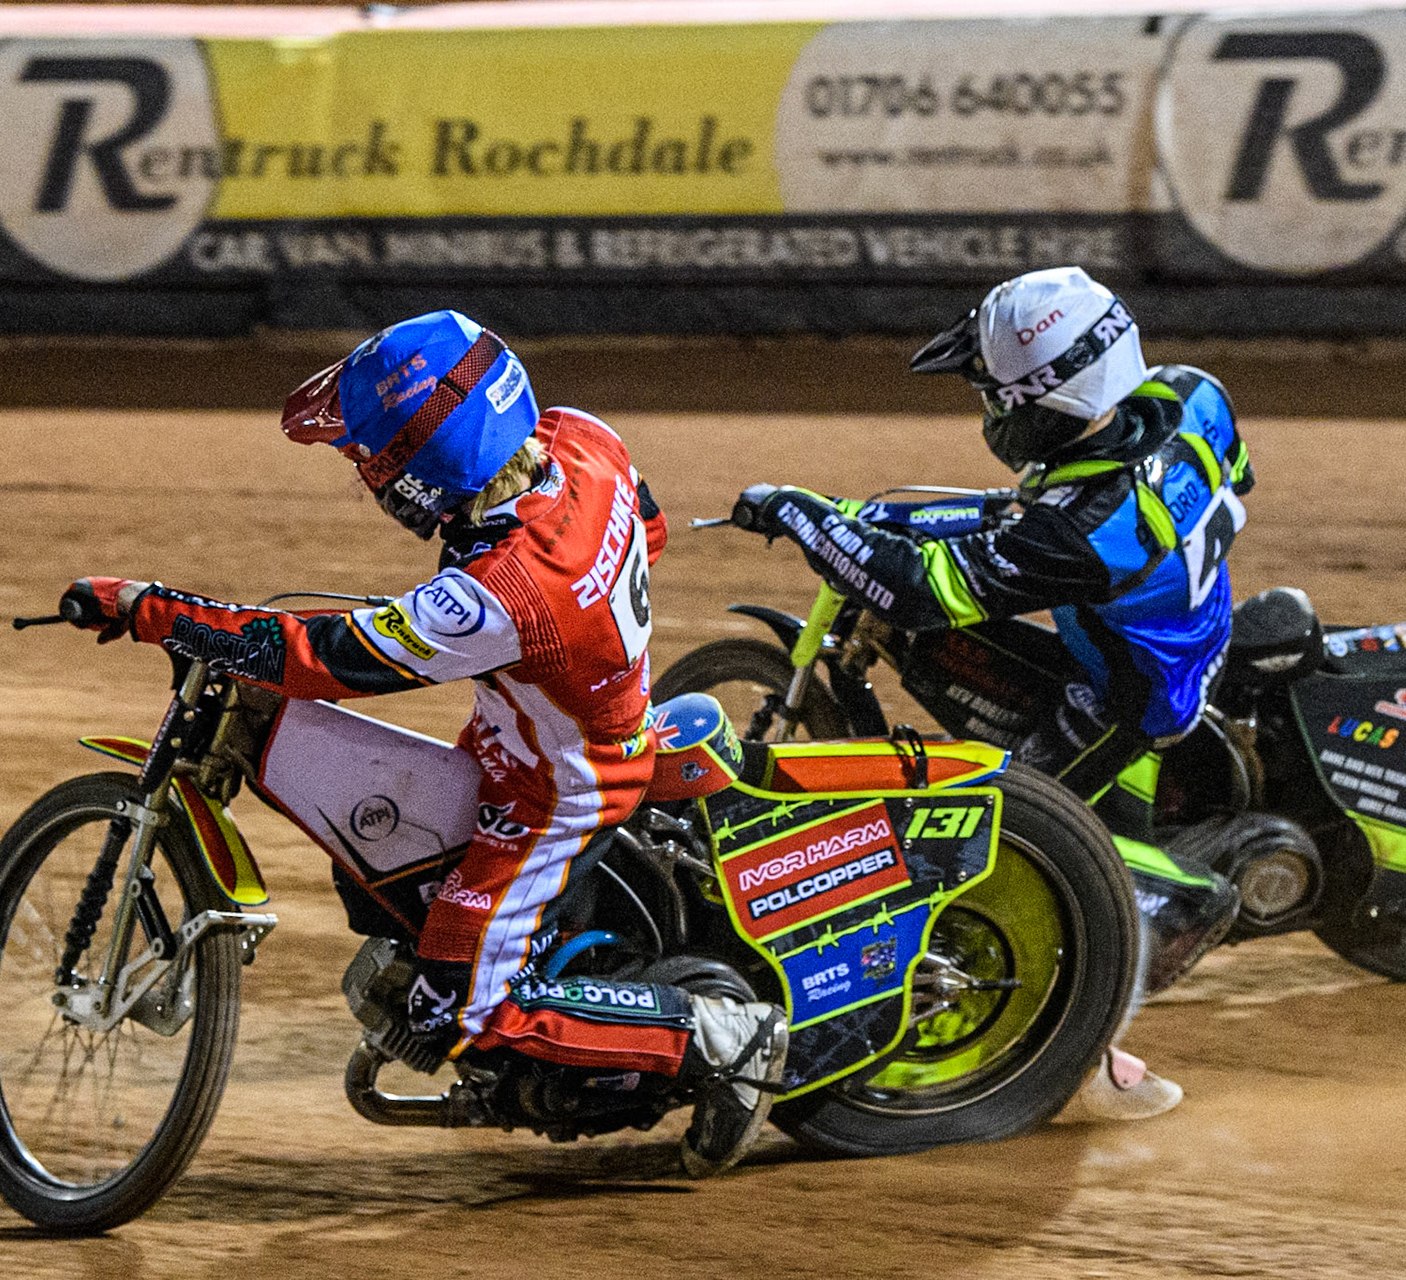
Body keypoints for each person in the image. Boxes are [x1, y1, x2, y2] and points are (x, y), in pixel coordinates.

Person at [61, 309, 786, 1176]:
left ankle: (722, 1040)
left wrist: (146, 607)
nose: (364, 469)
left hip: (560, 793)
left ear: (421, 466)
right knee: (380, 865)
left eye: (370, 455)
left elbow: (317, 658)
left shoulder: (502, 595)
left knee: (461, 1013)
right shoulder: (582, 442)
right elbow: (651, 530)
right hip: (523, 734)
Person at [732, 267, 1253, 1117]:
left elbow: (918, 590)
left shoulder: (1086, 530)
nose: (989, 414)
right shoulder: (1192, 399)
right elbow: (1036, 514)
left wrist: (801, 515)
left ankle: (1151, 940)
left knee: (1004, 833)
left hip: (1120, 697)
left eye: (995, 396)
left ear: (1048, 399)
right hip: (1165, 632)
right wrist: (868, 519)